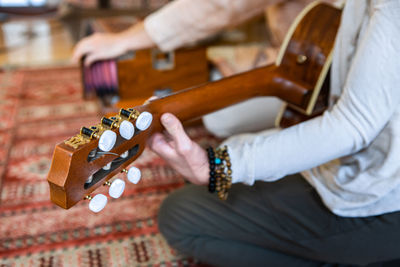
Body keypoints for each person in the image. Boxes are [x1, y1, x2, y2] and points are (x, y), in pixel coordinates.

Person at [73, 0, 400, 266]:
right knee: (224, 144)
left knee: (180, 215)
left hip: (386, 207)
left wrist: (220, 166)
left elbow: (354, 125)